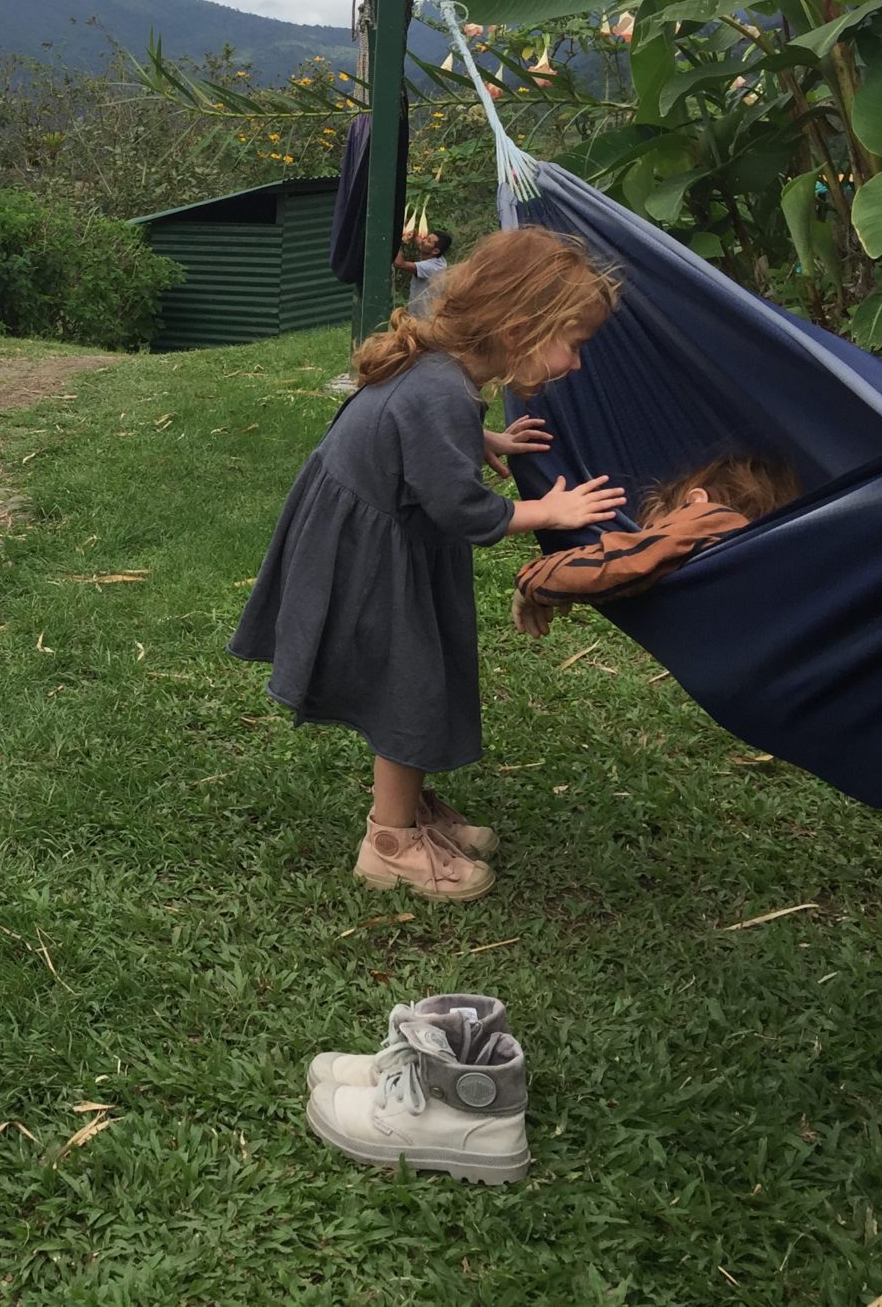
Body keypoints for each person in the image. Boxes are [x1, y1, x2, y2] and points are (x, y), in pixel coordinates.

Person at [229, 229, 625, 902]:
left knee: (418, 674)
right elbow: (459, 507)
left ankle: (407, 811)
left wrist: (481, 435)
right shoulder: (441, 390)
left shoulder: (446, 371)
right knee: (405, 685)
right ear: (520, 327)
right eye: (573, 344)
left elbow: (416, 426)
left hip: (379, 537)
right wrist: (548, 514)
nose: (576, 364)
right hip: (371, 557)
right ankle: (389, 842)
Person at [511, 453, 801, 637]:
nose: (651, 537)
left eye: (657, 528)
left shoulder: (712, 520)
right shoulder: (783, 551)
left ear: (695, 500)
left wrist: (533, 581)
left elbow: (621, 563)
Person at [394, 226, 452, 315]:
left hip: (422, 319)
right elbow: (421, 243)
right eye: (427, 238)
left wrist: (397, 240)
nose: (423, 241)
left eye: (428, 241)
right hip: (423, 316)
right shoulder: (437, 257)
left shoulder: (431, 267)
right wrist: (413, 235)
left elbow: (399, 264)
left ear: (435, 251)